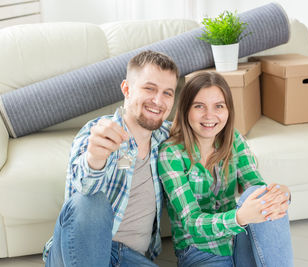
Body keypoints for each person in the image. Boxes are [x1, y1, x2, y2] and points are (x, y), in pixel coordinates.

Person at [43, 50, 179, 267]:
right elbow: (82, 198)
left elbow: (204, 130)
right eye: (149, 88)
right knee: (92, 202)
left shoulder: (166, 137)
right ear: (126, 89)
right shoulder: (96, 133)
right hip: (83, 250)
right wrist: (95, 159)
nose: (158, 100)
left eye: (167, 93)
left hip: (130, 259)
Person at [157, 71, 293, 267]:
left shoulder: (233, 140)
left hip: (238, 240)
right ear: (186, 109)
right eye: (199, 106)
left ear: (228, 110)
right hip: (199, 251)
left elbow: (256, 188)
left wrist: (281, 194)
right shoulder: (171, 153)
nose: (209, 115)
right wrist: (238, 218)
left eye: (218, 106)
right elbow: (191, 222)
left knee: (261, 194)